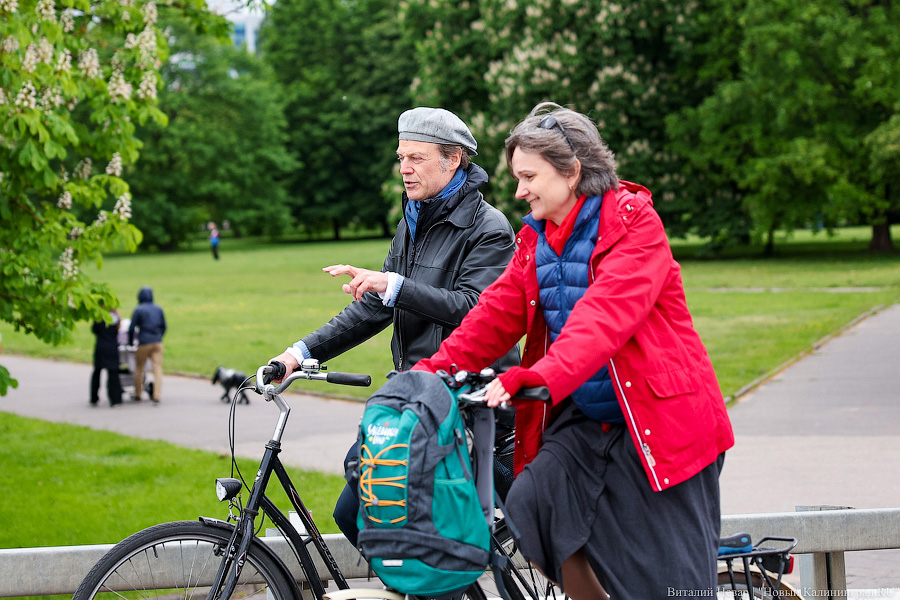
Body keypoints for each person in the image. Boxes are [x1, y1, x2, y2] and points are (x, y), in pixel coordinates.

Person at [414, 102, 735, 600]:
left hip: (659, 421)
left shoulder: (634, 224)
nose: (519, 191)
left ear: (572, 171)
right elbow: (493, 316)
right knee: (532, 504)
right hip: (589, 417)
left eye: (529, 177)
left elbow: (604, 318)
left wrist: (537, 376)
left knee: (667, 583)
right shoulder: (536, 238)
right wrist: (425, 375)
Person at [269, 106, 520, 546]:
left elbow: (478, 311)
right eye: (401, 157)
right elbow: (374, 306)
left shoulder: (488, 228)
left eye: (416, 158)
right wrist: (298, 354)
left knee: (400, 524)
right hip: (416, 396)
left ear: (453, 159)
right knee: (355, 513)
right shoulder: (413, 221)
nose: (404, 168)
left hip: (470, 402)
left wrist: (396, 286)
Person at [129, 286, 166, 403]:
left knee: (139, 368)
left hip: (144, 342)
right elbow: (164, 326)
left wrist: (131, 341)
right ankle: (156, 395)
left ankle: (138, 393)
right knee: (157, 368)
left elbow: (131, 327)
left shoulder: (139, 309)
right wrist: (159, 337)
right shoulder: (158, 309)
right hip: (157, 342)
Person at [90, 308, 123, 407]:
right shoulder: (116, 318)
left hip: (101, 347)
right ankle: (115, 400)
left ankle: (94, 398)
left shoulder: (99, 318)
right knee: (113, 374)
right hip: (112, 348)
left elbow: (94, 330)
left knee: (97, 373)